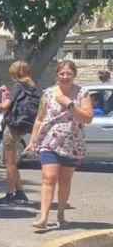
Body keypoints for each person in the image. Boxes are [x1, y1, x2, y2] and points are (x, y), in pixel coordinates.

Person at [27, 60, 93, 229]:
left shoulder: (82, 93)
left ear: (74, 75)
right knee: (48, 177)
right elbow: (40, 119)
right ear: (57, 75)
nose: (65, 77)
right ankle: (43, 217)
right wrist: (32, 140)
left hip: (72, 143)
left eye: (68, 74)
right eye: (62, 73)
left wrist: (70, 104)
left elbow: (88, 118)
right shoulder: (48, 93)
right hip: (49, 140)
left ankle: (61, 213)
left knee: (65, 180)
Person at [0, 61, 35, 205]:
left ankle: (9, 194)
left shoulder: (18, 86)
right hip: (22, 126)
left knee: (9, 162)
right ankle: (20, 192)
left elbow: (5, 106)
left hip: (12, 126)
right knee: (11, 161)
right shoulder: (30, 86)